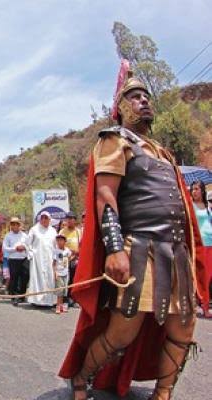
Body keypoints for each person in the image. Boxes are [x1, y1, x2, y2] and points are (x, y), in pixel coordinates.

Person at [59, 62, 207, 400]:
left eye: (146, 96)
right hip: (139, 248)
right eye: (134, 96)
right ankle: (82, 376)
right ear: (121, 107)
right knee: (124, 330)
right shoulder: (114, 141)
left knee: (183, 327)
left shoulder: (165, 153)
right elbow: (105, 195)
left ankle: (163, 393)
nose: (144, 101)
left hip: (177, 252)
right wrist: (114, 248)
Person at [189, 180, 212, 318]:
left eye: (197, 189)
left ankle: (204, 303)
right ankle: (203, 306)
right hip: (199, 243)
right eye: (193, 189)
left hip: (210, 243)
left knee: (209, 276)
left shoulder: (207, 206)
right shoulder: (190, 206)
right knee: (201, 276)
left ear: (202, 191)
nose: (194, 191)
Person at [27, 211, 58, 307]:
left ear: (49, 220)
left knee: (50, 278)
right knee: (37, 279)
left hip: (49, 258)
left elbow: (55, 245)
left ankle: (49, 301)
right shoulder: (34, 229)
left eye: (46, 218)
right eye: (42, 218)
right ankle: (36, 300)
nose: (44, 220)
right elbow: (27, 243)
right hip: (37, 259)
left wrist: (55, 258)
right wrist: (31, 254)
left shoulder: (53, 231)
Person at [3, 217, 29, 305]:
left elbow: (29, 245)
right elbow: (5, 248)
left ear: (19, 225)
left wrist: (24, 247)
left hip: (24, 259)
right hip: (13, 259)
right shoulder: (8, 236)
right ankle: (14, 296)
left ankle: (22, 295)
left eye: (16, 224)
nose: (14, 226)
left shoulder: (25, 235)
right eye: (12, 224)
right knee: (14, 278)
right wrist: (15, 249)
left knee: (25, 276)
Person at [59, 211, 82, 306]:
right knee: (65, 280)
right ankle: (65, 299)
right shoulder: (62, 231)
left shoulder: (78, 231)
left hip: (75, 260)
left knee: (74, 279)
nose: (69, 221)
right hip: (65, 260)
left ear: (75, 220)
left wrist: (76, 252)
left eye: (71, 219)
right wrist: (69, 252)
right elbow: (59, 245)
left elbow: (81, 245)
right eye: (68, 219)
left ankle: (74, 299)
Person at [53, 234, 72, 314]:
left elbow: (70, 257)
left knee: (64, 290)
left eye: (61, 240)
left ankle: (62, 305)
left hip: (66, 273)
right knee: (59, 291)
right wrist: (55, 273)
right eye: (58, 240)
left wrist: (67, 262)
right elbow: (53, 263)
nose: (60, 242)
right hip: (59, 273)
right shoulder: (56, 251)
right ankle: (58, 305)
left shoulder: (67, 250)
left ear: (65, 241)